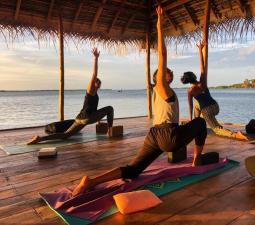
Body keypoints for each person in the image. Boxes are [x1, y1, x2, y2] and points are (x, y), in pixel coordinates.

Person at [71, 6, 207, 197]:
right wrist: (159, 25)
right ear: (159, 76)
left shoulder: (159, 92)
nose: (167, 71)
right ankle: (196, 161)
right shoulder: (161, 86)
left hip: (154, 134)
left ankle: (90, 182)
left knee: (133, 170)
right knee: (200, 123)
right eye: (164, 71)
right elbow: (162, 56)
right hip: (168, 135)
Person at [27, 48, 114, 145]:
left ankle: (40, 139)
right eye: (97, 82)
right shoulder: (90, 90)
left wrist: (98, 120)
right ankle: (110, 130)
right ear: (94, 83)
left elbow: (93, 108)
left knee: (66, 135)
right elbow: (94, 74)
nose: (99, 84)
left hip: (79, 118)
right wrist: (96, 59)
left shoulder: (94, 93)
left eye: (99, 83)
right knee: (110, 108)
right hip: (87, 118)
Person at [181, 42, 248, 140]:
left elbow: (190, 106)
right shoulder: (202, 82)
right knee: (197, 104)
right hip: (215, 106)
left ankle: (236, 135)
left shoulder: (190, 91)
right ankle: (197, 124)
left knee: (216, 129)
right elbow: (202, 66)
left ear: (188, 82)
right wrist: (200, 50)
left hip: (207, 111)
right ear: (194, 76)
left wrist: (190, 119)